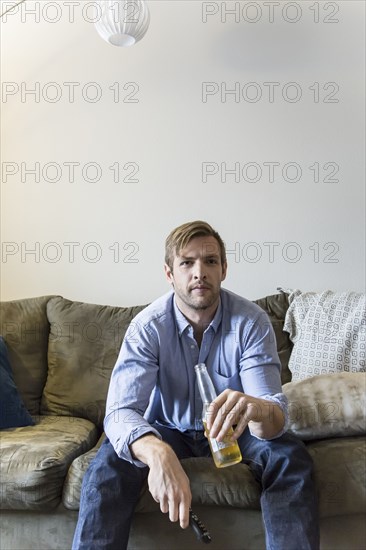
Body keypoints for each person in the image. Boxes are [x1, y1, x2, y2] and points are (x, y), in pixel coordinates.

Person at [72, 220, 319, 550]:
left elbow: (271, 420)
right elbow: (120, 413)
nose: (199, 272)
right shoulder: (147, 327)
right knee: (107, 464)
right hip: (166, 428)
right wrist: (157, 452)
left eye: (210, 261)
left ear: (224, 269)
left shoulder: (251, 321)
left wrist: (258, 408)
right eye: (187, 262)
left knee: (290, 456)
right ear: (169, 273)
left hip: (238, 431)